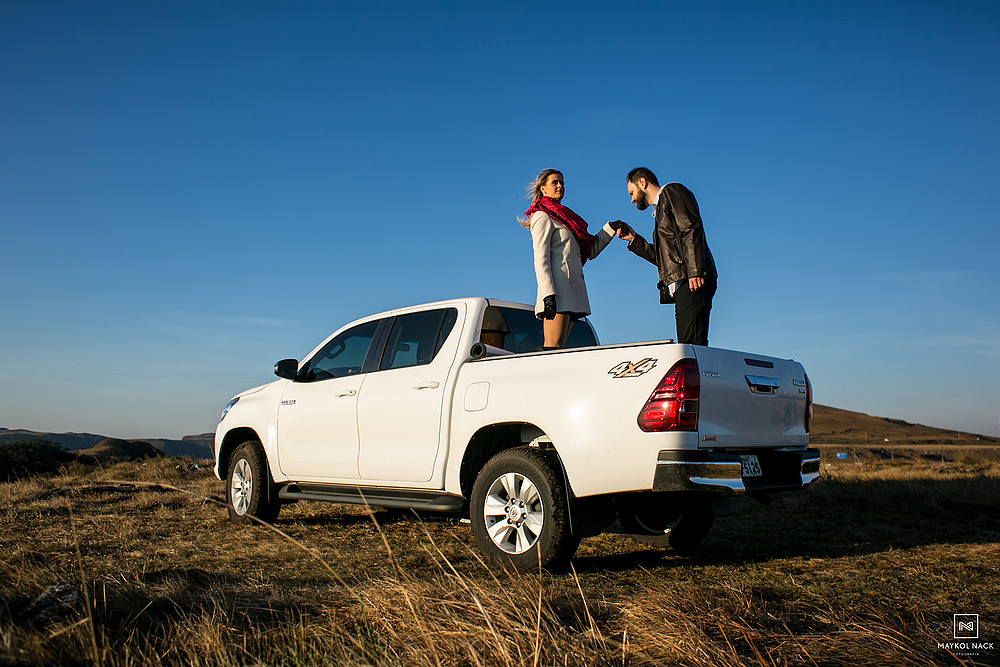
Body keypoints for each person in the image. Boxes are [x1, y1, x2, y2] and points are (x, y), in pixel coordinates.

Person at [613, 167, 717, 346]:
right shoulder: (659, 210)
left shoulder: (671, 191)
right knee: (690, 344)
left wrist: (695, 271)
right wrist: (634, 240)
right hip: (684, 281)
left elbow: (691, 228)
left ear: (642, 183)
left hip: (691, 279)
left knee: (691, 346)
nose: (631, 199)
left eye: (632, 192)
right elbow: (664, 258)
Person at [519, 169, 617, 349]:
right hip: (557, 291)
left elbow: (590, 252)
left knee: (558, 348)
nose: (560, 186)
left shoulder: (566, 219)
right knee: (552, 348)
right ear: (543, 189)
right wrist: (548, 294)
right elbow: (540, 258)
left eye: (562, 183)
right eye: (555, 182)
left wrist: (610, 229)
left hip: (572, 291)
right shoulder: (542, 216)